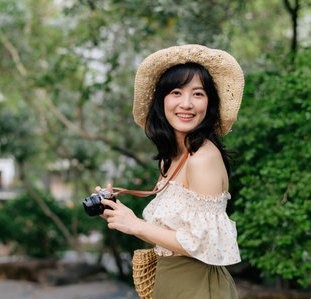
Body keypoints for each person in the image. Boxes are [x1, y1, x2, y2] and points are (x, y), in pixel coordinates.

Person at [96, 44, 244, 298]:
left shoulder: (202, 158)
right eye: (176, 92)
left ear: (209, 103)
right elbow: (172, 232)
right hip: (170, 283)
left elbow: (205, 243)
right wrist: (120, 215)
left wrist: (136, 226)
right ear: (162, 100)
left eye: (197, 94)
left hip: (198, 287)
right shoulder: (174, 157)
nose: (186, 104)